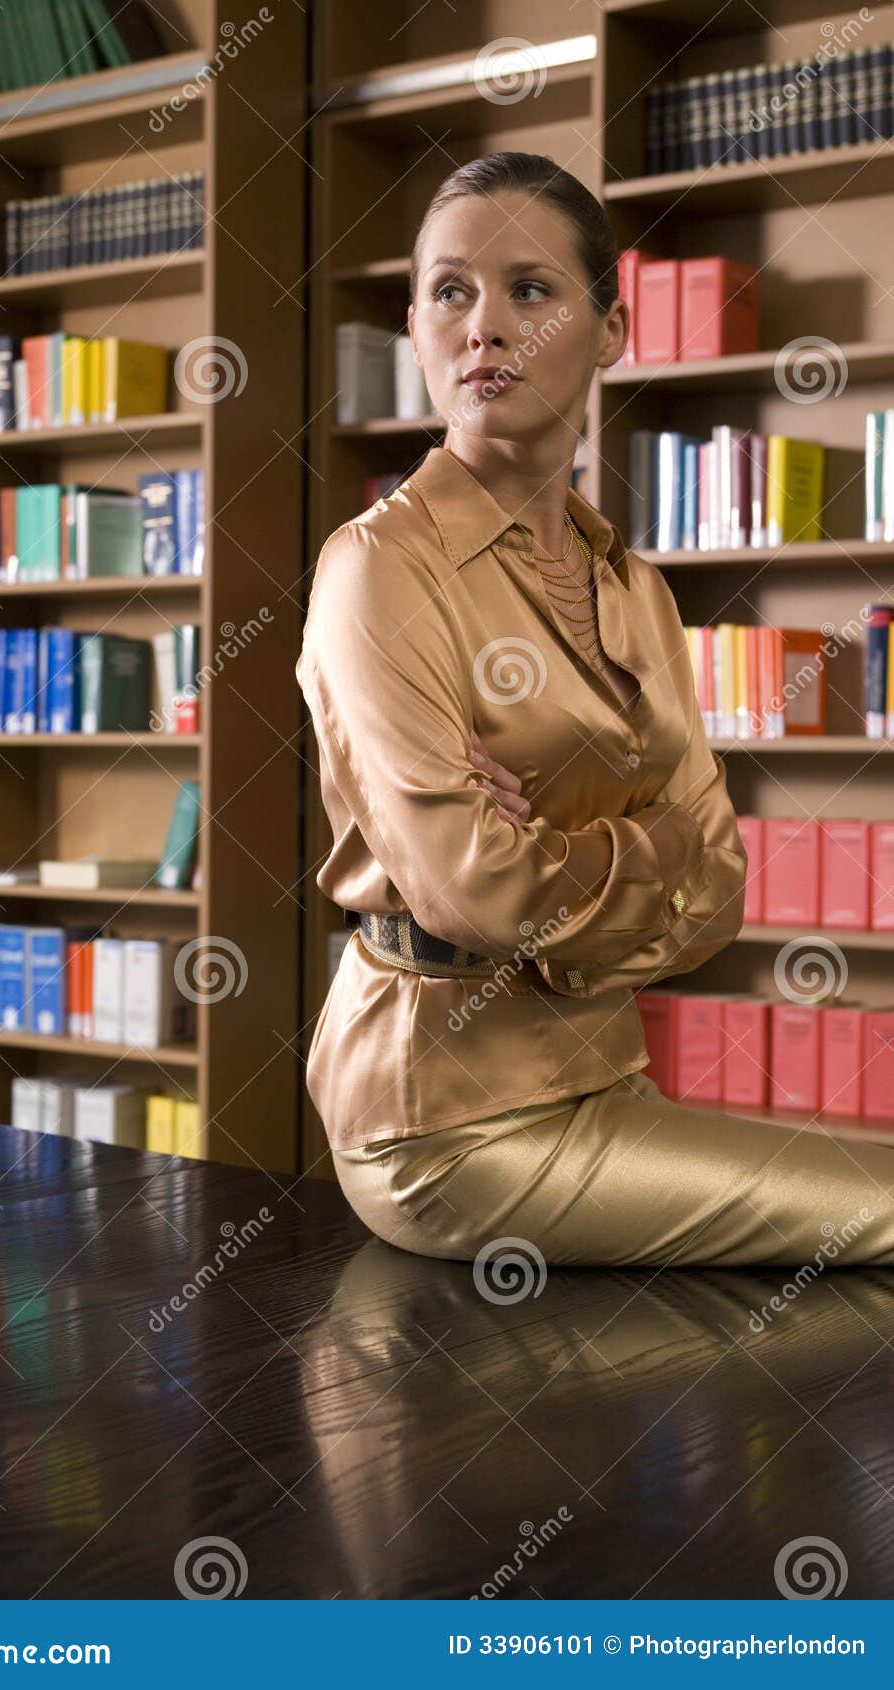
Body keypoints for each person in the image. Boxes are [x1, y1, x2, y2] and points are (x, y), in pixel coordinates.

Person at [295, 151, 894, 1269]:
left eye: (529, 289)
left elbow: (717, 886)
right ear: (417, 329)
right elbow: (472, 887)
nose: (482, 328)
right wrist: (637, 848)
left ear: (609, 329)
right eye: (447, 291)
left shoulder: (635, 587)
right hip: (440, 1120)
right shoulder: (375, 570)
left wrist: (553, 863)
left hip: (602, 1075)